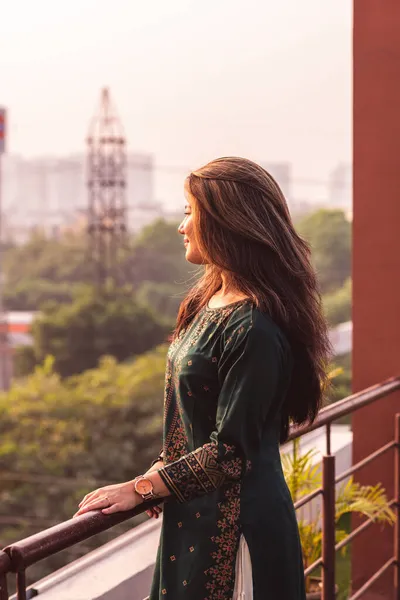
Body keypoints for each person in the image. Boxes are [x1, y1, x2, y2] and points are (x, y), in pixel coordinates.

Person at [75, 157, 331, 600]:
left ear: (225, 221)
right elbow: (192, 417)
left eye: (189, 211)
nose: (181, 226)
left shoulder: (253, 326)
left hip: (238, 527)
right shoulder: (206, 301)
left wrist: (141, 489)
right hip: (192, 514)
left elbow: (232, 452)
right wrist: (161, 472)